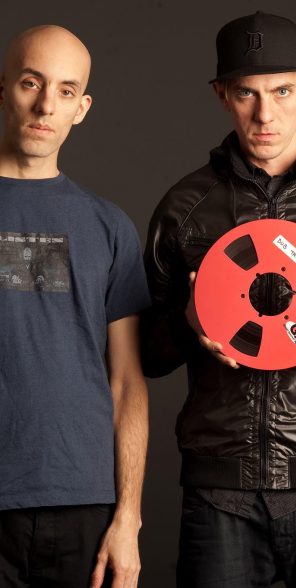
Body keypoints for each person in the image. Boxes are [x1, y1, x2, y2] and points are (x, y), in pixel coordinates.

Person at [142, 11, 296, 587]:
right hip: (218, 489)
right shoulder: (185, 208)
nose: (265, 114)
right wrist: (187, 324)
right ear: (221, 95)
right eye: (246, 94)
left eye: (282, 91)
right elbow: (146, 355)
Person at [0, 25, 150, 588]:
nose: (46, 105)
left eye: (66, 91)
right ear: (3, 88)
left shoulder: (108, 226)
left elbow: (127, 382)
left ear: (81, 108)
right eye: (31, 83)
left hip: (83, 501)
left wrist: (129, 518)